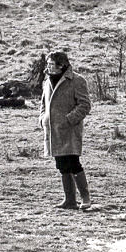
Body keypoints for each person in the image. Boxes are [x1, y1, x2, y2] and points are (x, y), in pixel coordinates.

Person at [39, 51, 92, 210]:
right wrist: (43, 119)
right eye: (47, 64)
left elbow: (84, 105)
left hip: (69, 131)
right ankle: (69, 200)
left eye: (51, 65)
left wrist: (69, 119)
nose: (48, 67)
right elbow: (43, 104)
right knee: (61, 165)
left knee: (74, 164)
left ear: (62, 65)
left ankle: (85, 198)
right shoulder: (47, 81)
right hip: (53, 130)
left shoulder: (77, 81)